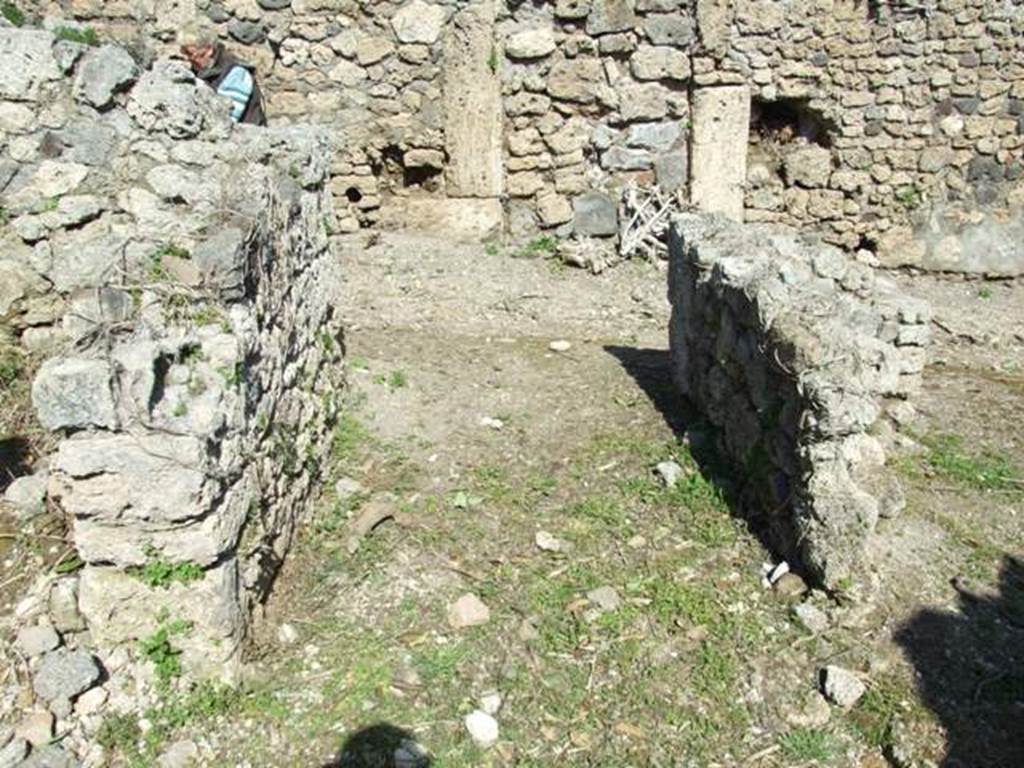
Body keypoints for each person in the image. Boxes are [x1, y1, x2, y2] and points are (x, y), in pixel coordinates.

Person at [181, 39, 266, 126]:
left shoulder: (237, 73)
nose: (189, 60)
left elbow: (227, 117)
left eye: (191, 55)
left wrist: (202, 87)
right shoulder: (197, 71)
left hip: (245, 135)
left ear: (209, 50)